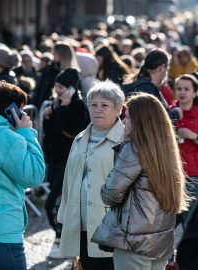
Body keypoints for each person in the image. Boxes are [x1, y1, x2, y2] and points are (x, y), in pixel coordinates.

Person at [92, 93, 190, 270]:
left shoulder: (134, 148)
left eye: (127, 117)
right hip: (160, 244)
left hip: (134, 242)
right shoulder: (167, 149)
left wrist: (103, 185)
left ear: (139, 121)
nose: (123, 122)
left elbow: (110, 195)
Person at [57, 79, 125, 270]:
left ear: (118, 109)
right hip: (82, 220)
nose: (98, 109)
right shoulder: (80, 138)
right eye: (93, 105)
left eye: (105, 105)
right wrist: (64, 214)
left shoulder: (126, 139)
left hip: (111, 225)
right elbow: (69, 179)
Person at [43, 68, 90, 259]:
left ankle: (59, 238)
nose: (58, 90)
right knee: (59, 202)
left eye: (62, 86)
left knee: (53, 202)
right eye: (56, 86)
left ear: (71, 88)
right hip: (55, 161)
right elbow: (51, 133)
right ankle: (64, 238)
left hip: (70, 162)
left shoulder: (78, 106)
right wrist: (48, 116)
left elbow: (71, 130)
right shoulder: (56, 104)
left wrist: (63, 108)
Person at [0, 80, 45, 270]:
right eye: (21, 109)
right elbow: (34, 175)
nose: (23, 114)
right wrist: (27, 133)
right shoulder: (6, 138)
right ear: (11, 111)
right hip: (4, 231)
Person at [122, 48, 181, 121]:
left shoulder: (139, 84)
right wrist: (175, 113)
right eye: (167, 69)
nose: (167, 73)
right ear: (161, 68)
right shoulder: (147, 88)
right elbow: (151, 120)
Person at [173, 74, 198, 225]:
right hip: (171, 175)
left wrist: (194, 136)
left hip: (193, 177)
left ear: (195, 92)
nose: (182, 92)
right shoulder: (169, 111)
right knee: (166, 225)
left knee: (189, 224)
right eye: (179, 88)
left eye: (186, 89)